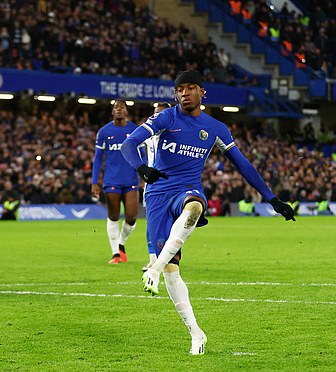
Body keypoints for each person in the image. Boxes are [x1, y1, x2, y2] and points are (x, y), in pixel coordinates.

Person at [121, 70, 295, 355]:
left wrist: (271, 197)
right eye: (180, 89)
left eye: (190, 88)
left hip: (187, 188)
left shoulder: (215, 128)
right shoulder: (166, 118)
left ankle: (152, 267)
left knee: (194, 207)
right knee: (172, 272)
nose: (184, 94)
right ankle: (196, 332)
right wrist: (141, 167)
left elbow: (244, 165)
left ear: (203, 92)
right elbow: (130, 143)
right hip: (156, 196)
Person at [91, 99, 140, 264]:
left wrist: (145, 174)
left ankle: (121, 243)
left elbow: (142, 153)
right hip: (111, 180)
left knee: (131, 217)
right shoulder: (104, 132)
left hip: (131, 178)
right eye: (115, 108)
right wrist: (94, 182)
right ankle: (115, 254)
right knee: (113, 216)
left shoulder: (134, 130)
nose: (119, 110)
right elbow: (98, 158)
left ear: (126, 111)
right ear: (112, 112)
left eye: (122, 107)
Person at [141, 102, 172, 273]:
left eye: (161, 113)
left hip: (172, 183)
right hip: (152, 183)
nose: (157, 116)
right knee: (150, 222)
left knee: (170, 222)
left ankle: (167, 257)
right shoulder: (148, 134)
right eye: (155, 113)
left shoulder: (176, 134)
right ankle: (153, 259)